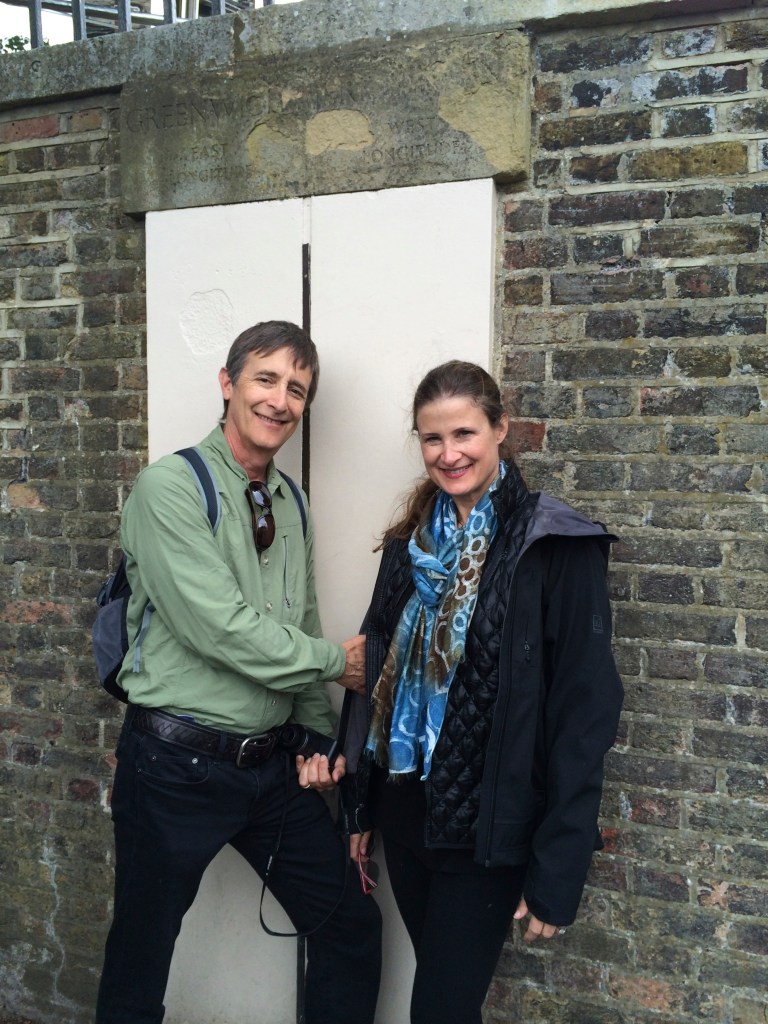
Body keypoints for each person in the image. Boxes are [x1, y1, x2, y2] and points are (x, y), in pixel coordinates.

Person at [96, 321, 382, 1024]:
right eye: (266, 378)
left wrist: (317, 736)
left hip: (269, 771)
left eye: (297, 389)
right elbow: (216, 627)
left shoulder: (290, 499)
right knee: (141, 959)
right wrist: (335, 665)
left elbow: (299, 614)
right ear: (228, 384)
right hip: (173, 768)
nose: (280, 400)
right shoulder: (168, 487)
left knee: (350, 925)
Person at [341, 360, 623, 1024]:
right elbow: (373, 665)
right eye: (432, 439)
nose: (449, 454)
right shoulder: (408, 543)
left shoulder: (553, 546)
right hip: (405, 814)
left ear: (500, 429)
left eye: (464, 433)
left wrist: (559, 863)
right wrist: (359, 805)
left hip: (483, 835)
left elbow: (583, 712)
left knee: (437, 1011)